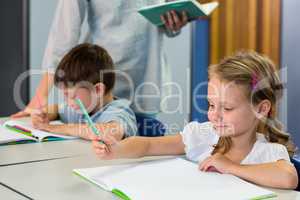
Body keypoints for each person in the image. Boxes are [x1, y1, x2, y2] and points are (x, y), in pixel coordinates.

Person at [92, 51, 298, 189]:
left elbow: (288, 178)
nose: (214, 115)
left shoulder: (269, 152)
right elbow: (147, 145)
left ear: (261, 109)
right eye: (211, 105)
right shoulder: (203, 136)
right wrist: (116, 150)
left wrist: (230, 166)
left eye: (227, 108)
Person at [12, 0, 189, 118]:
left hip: (148, 77)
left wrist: (174, 24)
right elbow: (63, 34)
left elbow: (165, 17)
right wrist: (40, 97)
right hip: (100, 83)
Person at [31, 43, 137, 141]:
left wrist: (58, 128)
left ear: (97, 90)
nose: (68, 102)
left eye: (71, 96)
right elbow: (58, 109)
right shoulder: (82, 109)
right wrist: (45, 114)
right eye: (65, 95)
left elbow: (111, 133)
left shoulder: (118, 111)